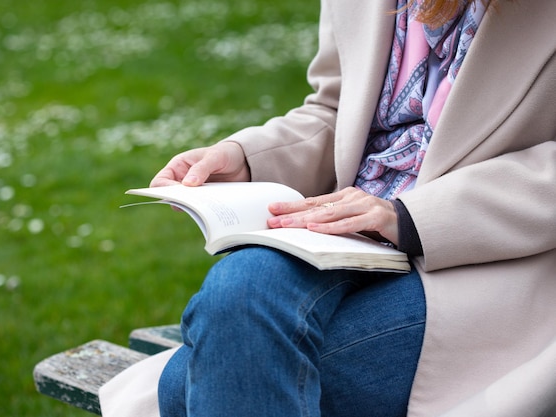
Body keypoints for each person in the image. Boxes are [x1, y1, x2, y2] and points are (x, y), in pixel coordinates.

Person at [99, 0, 556, 415]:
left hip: (489, 260)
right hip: (346, 224)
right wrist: (245, 158)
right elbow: (336, 109)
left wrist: (407, 216)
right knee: (239, 287)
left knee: (185, 387)